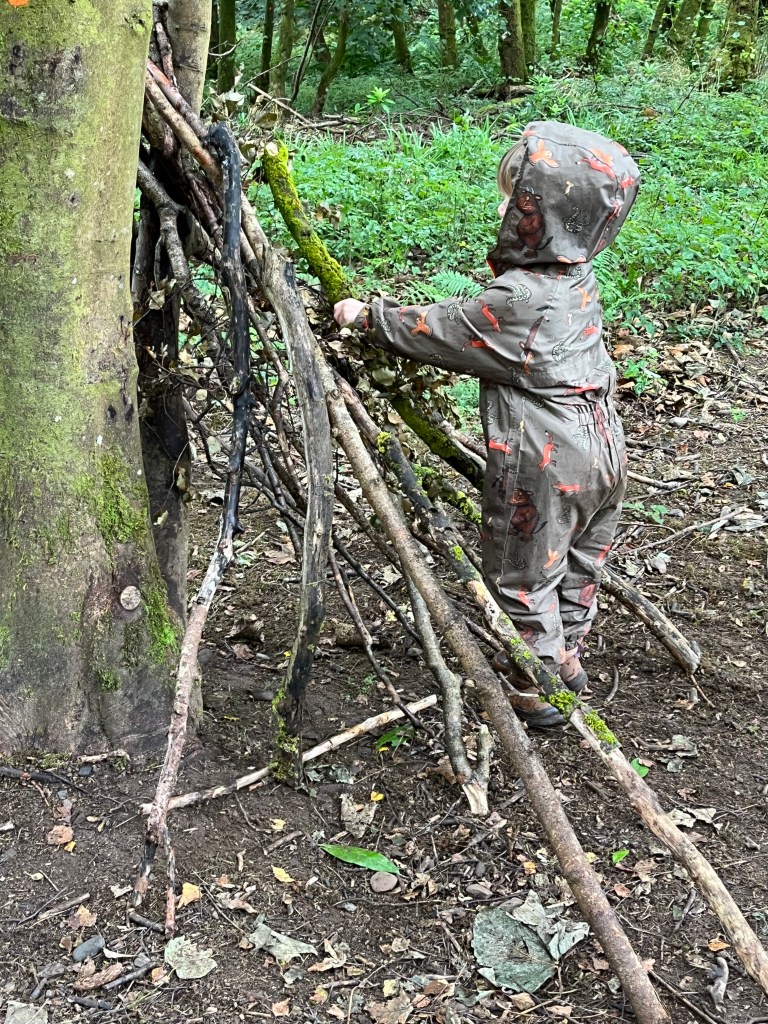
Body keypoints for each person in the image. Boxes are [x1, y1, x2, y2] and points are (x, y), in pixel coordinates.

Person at [334, 120, 640, 727]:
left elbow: (443, 328)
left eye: (516, 201)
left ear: (547, 216)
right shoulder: (577, 278)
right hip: (605, 447)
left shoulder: (520, 299)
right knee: (578, 563)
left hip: (547, 461)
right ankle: (566, 659)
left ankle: (534, 689)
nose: (503, 210)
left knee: (522, 573)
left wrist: (367, 316)